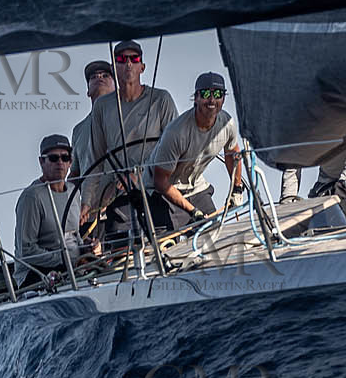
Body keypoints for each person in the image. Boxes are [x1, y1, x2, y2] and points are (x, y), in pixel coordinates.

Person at [82, 41, 177, 246]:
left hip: (158, 191)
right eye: (121, 60)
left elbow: (175, 151)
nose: (128, 64)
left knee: (175, 244)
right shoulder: (102, 107)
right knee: (117, 252)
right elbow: (95, 159)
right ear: (114, 67)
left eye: (133, 59)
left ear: (142, 67)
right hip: (123, 198)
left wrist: (141, 173)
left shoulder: (161, 99)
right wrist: (86, 202)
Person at [148, 73, 246, 232]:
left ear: (224, 98)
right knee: (165, 249)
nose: (212, 100)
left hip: (195, 188)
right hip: (161, 193)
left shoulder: (227, 124)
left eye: (218, 94)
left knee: (215, 237)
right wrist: (193, 211)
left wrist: (237, 188)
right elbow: (160, 181)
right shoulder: (176, 132)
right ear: (196, 98)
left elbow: (232, 153)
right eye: (206, 94)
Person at [13, 134, 86, 287]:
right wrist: (64, 259)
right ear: (41, 162)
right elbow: (26, 251)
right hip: (37, 272)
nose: (60, 162)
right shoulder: (31, 197)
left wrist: (87, 247)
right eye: (53, 158)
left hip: (71, 265)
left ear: (70, 162)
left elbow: (74, 235)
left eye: (65, 158)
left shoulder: (74, 192)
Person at [69, 60, 116, 182]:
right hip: (92, 199)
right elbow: (75, 173)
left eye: (106, 75)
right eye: (94, 77)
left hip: (131, 195)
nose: (99, 78)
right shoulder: (78, 130)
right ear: (88, 91)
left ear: (116, 87)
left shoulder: (128, 114)